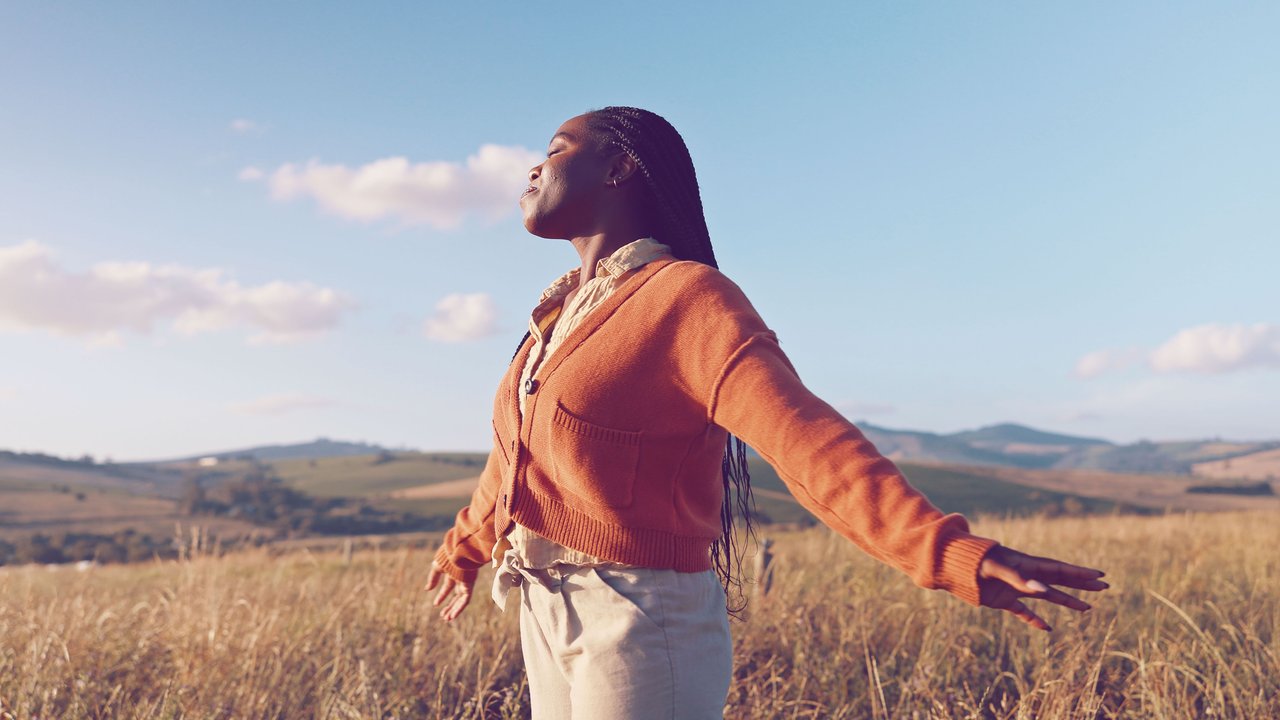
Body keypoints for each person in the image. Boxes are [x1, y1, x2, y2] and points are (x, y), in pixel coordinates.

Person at [425, 106, 1108, 719]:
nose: (534, 164)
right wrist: (465, 550)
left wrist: (940, 548)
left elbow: (804, 439)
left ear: (620, 167)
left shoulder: (689, 300)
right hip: (543, 605)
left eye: (557, 146)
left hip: (638, 620)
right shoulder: (555, 318)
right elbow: (513, 461)